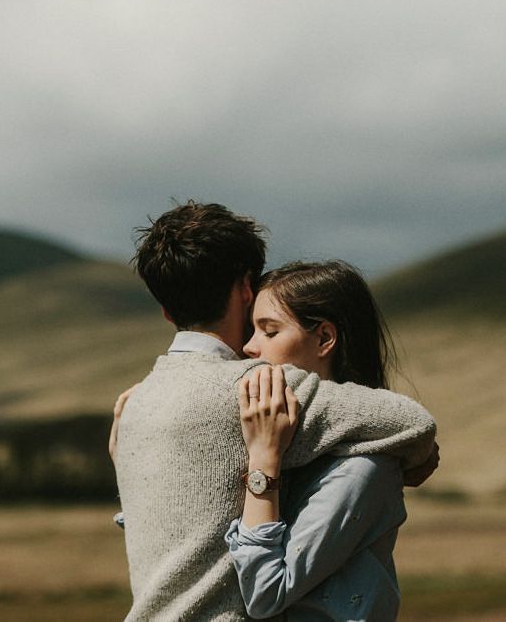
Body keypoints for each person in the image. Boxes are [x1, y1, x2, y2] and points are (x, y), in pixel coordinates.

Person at [112, 201, 437, 621]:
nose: (253, 345)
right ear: (247, 288)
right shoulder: (261, 388)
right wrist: (418, 458)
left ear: (167, 311)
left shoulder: (136, 404)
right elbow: (413, 423)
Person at [224, 260, 437, 620]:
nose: (248, 347)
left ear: (324, 338)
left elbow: (266, 594)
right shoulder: (297, 446)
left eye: (269, 332)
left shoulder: (361, 468)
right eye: (251, 330)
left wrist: (263, 460)